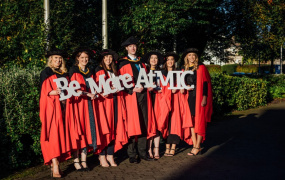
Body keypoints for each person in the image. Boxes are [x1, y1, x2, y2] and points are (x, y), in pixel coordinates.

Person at [65, 47, 109, 171]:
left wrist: (99, 93)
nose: (84, 59)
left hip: (89, 106)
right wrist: (86, 94)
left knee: (87, 131)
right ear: (77, 58)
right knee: (78, 131)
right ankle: (76, 160)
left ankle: (84, 160)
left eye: (86, 58)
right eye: (82, 57)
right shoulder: (73, 71)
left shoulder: (90, 71)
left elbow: (95, 87)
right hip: (78, 106)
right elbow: (73, 89)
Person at [117, 36, 156, 163]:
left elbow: (146, 79)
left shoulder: (142, 63)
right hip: (131, 97)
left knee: (144, 122)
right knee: (132, 124)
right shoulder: (122, 63)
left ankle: (143, 152)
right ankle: (132, 154)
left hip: (144, 96)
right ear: (126, 48)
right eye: (130, 46)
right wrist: (132, 89)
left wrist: (148, 86)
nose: (133, 48)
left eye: (134, 46)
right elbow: (120, 82)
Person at [40, 49, 70, 178]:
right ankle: (55, 164)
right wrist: (52, 92)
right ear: (50, 59)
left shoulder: (64, 73)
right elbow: (43, 93)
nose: (58, 60)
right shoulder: (46, 72)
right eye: (55, 58)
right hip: (52, 109)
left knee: (61, 136)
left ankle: (57, 163)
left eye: (60, 58)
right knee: (53, 136)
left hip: (64, 109)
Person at [94, 49, 128, 167]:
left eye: (110, 57)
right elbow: (97, 87)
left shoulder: (115, 71)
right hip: (104, 103)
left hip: (115, 101)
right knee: (105, 128)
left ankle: (110, 155)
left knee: (114, 127)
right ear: (102, 59)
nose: (108, 59)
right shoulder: (99, 70)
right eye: (106, 57)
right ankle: (102, 155)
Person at [181, 48, 213, 156]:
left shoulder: (201, 67)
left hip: (198, 97)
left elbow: (205, 83)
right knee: (191, 122)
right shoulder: (183, 69)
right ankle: (194, 144)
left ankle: (197, 146)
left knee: (200, 121)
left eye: (193, 55)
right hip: (189, 98)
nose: (192, 57)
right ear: (186, 57)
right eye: (189, 55)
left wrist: (204, 97)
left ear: (196, 57)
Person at [159, 52, 185, 157]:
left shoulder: (179, 72)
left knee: (175, 123)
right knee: (166, 123)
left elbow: (183, 88)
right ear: (166, 61)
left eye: (172, 59)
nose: (170, 61)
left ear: (174, 61)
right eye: (168, 59)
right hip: (164, 101)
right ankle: (167, 147)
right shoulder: (161, 73)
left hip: (175, 101)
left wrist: (178, 88)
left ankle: (173, 148)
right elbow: (158, 87)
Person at [142, 51, 164, 160]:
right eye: (152, 58)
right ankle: (149, 149)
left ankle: (156, 149)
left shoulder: (161, 72)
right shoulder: (145, 72)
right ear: (149, 60)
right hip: (148, 99)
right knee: (150, 124)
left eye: (156, 58)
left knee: (157, 124)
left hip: (158, 100)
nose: (154, 60)